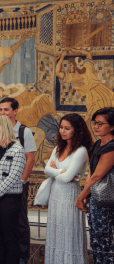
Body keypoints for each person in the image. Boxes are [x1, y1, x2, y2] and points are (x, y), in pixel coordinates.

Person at [43, 113, 92, 263]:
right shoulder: (59, 147)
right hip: (55, 193)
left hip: (70, 195)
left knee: (69, 233)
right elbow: (47, 170)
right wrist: (62, 172)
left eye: (67, 128)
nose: (62, 131)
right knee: (56, 232)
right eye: (61, 128)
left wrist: (56, 171)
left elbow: (66, 178)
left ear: (76, 130)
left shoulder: (81, 150)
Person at [0, 97, 36, 264]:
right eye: (1, 109)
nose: (3, 112)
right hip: (0, 186)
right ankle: (4, 256)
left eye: (6, 109)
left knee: (20, 221)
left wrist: (22, 181)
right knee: (3, 221)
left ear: (15, 110)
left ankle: (22, 257)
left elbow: (30, 158)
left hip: (18, 185)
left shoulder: (24, 132)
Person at [0, 115, 26, 264]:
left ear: (1, 128)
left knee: (10, 238)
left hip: (9, 199)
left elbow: (13, 177)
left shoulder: (18, 149)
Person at [76, 107, 114, 263]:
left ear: (112, 126)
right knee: (96, 236)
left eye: (101, 123)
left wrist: (81, 196)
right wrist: (86, 192)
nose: (96, 126)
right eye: (94, 123)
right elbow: (91, 172)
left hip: (105, 199)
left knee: (104, 238)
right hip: (95, 197)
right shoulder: (98, 144)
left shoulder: (111, 147)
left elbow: (98, 175)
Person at [56, 49, 114, 140]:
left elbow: (57, 72)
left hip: (96, 98)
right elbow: (89, 53)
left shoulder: (76, 77)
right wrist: (75, 51)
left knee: (96, 122)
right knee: (108, 120)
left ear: (75, 66)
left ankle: (98, 143)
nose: (69, 68)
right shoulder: (87, 69)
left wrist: (62, 56)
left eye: (70, 65)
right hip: (107, 94)